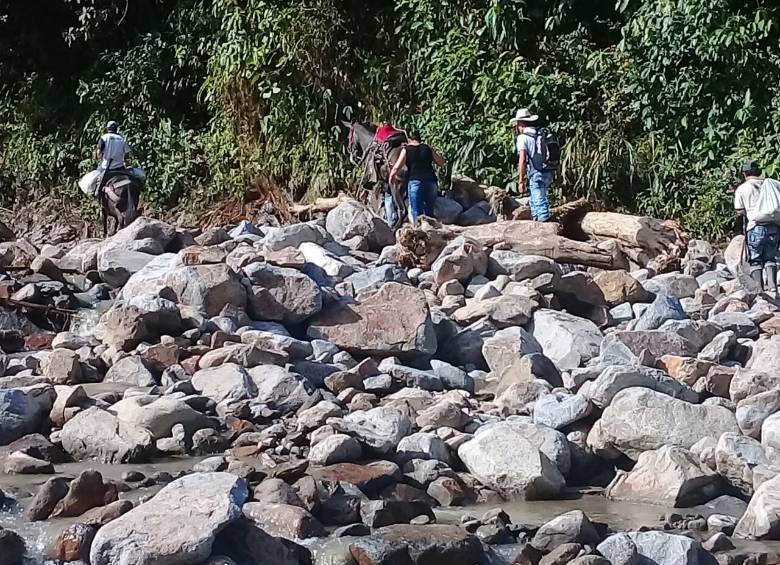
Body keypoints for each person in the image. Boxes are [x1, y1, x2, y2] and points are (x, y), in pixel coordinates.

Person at [734, 160, 778, 290]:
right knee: (770, 258)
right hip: (773, 226)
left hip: (755, 227)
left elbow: (739, 210)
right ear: (758, 172)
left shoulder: (742, 188)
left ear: (744, 173)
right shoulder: (769, 185)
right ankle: (773, 286)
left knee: (755, 259)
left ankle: (759, 289)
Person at [389, 131, 444, 225]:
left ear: (409, 139)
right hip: (431, 183)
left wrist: (391, 177)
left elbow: (397, 167)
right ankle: (431, 234)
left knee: (416, 213)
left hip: (416, 182)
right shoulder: (428, 148)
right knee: (429, 213)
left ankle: (418, 235)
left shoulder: (406, 150)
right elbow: (441, 162)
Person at [511, 108, 553, 222]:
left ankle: (544, 226)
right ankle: (536, 221)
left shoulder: (522, 138)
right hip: (547, 171)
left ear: (521, 123)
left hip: (536, 173)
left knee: (539, 202)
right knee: (537, 198)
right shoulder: (540, 134)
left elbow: (522, 160)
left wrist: (521, 180)